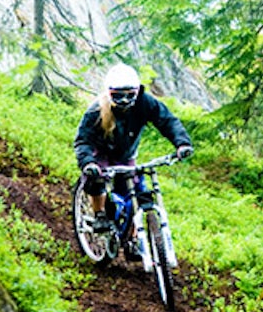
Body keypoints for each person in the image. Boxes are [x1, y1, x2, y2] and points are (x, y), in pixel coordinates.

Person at [74, 63, 193, 258]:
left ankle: (131, 239)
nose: (124, 100)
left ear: (137, 92)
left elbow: (167, 120)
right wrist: (88, 162)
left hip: (126, 155)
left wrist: (181, 143)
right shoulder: (96, 110)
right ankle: (99, 215)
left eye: (130, 94)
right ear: (109, 93)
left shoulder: (145, 103)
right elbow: (83, 140)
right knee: (97, 178)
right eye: (118, 95)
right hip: (100, 153)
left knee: (136, 193)